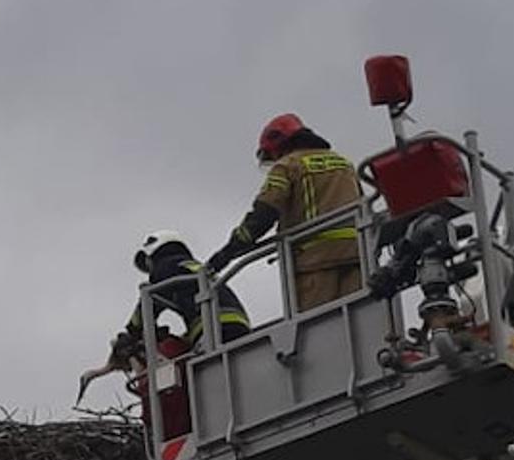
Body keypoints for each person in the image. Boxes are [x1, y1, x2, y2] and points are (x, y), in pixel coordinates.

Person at [205, 113, 365, 312]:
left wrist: (227, 252)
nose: (273, 160)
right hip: (358, 255)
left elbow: (264, 213)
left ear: (278, 144)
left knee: (320, 330)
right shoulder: (343, 163)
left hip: (313, 262)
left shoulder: (288, 166)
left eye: (271, 155)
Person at [112, 230, 251, 363]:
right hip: (237, 325)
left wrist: (132, 331)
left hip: (213, 329)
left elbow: (150, 302)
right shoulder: (191, 266)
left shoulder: (166, 265)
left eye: (148, 261)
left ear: (154, 250)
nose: (150, 268)